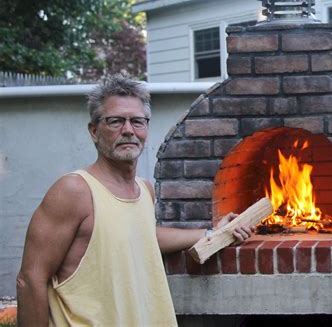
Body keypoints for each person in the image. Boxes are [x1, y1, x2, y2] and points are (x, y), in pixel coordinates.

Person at [16, 75, 253, 326]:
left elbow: (141, 237)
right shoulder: (74, 191)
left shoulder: (144, 190)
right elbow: (30, 279)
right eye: (115, 121)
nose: (128, 130)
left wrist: (213, 232)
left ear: (146, 129)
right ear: (94, 131)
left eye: (137, 121)